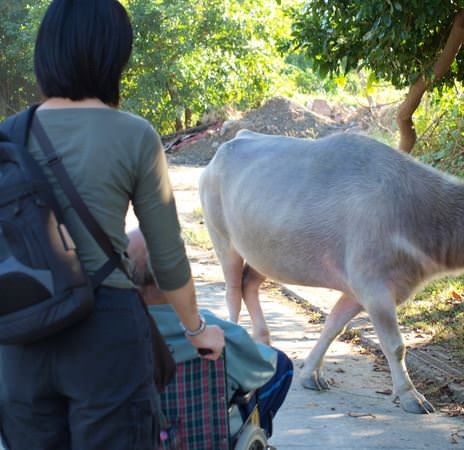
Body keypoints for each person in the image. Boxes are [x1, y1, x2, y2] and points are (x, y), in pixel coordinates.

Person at [0, 1, 224, 449]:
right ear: (112, 56)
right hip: (105, 334)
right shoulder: (133, 134)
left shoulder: (9, 135)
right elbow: (166, 255)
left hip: (21, 334)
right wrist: (199, 331)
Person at [127, 228, 293, 443]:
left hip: (131, 436)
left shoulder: (103, 334)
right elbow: (262, 370)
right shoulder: (213, 332)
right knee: (281, 365)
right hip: (202, 436)